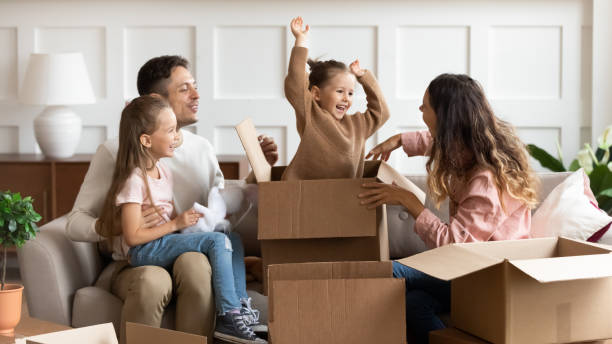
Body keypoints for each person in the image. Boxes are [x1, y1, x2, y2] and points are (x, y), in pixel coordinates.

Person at [66, 55, 278, 344]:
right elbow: (74, 223)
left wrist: (256, 171)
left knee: (197, 267)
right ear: (156, 99)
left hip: (188, 249)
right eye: (184, 88)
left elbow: (222, 208)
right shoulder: (116, 151)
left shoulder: (201, 148)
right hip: (136, 258)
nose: (197, 95)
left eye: (195, 86)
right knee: (153, 281)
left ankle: (231, 319)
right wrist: (114, 225)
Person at [358, 73, 538, 344]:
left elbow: (456, 247)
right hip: (474, 269)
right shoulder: (472, 146)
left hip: (491, 276)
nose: (419, 110)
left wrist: (410, 203)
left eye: (425, 106)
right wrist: (399, 140)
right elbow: (438, 141)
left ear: (446, 116)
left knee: (391, 271)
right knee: (414, 303)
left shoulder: (486, 181)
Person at [96, 95, 265, 343]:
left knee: (232, 238)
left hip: (162, 242)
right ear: (146, 140)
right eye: (171, 131)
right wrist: (176, 224)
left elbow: (171, 216)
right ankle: (229, 316)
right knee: (217, 242)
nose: (177, 137)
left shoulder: (163, 171)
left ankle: (242, 309)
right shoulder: (134, 180)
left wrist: (197, 220)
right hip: (143, 250)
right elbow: (132, 237)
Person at [282, 16, 389, 180]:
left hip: (341, 197)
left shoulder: (358, 125)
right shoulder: (311, 114)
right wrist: (301, 40)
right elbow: (296, 82)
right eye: (340, 91)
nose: (346, 98)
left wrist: (364, 77)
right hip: (303, 194)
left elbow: (381, 113)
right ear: (316, 94)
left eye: (351, 93)